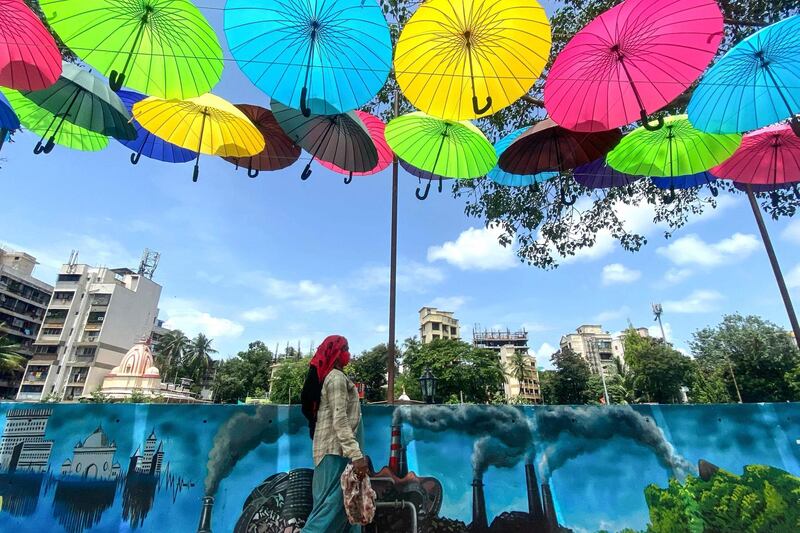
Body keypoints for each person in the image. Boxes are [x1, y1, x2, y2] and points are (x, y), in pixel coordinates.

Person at [301, 335, 369, 532]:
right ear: (337, 354)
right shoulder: (336, 379)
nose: (349, 354)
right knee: (326, 514)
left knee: (349, 513)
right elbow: (339, 420)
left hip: (339, 454)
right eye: (346, 349)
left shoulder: (337, 377)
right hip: (335, 454)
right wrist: (356, 456)